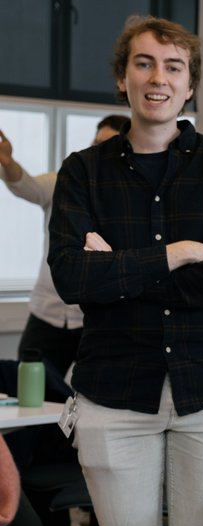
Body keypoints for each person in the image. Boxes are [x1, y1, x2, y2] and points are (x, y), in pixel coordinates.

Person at [47, 16, 203, 526]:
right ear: (123, 78)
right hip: (113, 396)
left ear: (190, 85)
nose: (157, 78)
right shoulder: (82, 173)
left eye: (173, 67)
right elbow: (73, 277)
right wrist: (178, 254)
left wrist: (120, 270)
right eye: (143, 64)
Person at [1, 115, 126, 378]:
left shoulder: (126, 197)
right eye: (96, 140)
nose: (98, 148)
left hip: (94, 319)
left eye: (108, 142)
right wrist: (8, 162)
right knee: (30, 389)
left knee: (92, 397)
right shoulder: (64, 180)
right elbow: (27, 186)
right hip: (47, 312)